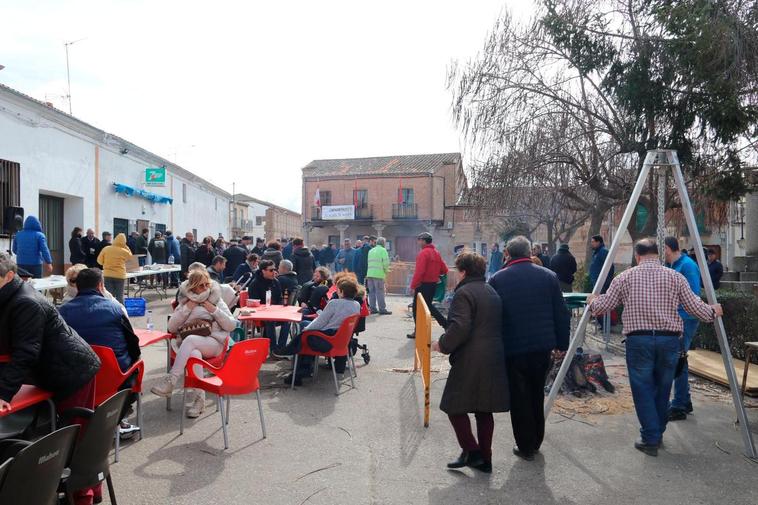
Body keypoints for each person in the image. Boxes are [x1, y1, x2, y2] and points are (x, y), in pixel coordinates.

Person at [588, 238, 721, 456]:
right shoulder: (675, 277)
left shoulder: (625, 277)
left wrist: (592, 300)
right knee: (662, 388)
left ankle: (650, 437)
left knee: (642, 388)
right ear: (657, 255)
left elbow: (603, 306)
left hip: (639, 341)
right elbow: (695, 307)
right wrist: (713, 311)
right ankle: (656, 431)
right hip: (669, 341)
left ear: (637, 256)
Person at [0, 253, 102, 504]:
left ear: (9, 276)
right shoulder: (11, 296)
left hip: (72, 371)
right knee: (70, 434)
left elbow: (26, 351)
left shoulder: (25, 303)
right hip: (57, 369)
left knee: (75, 436)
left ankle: (84, 495)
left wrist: (3, 393)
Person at [489, 236, 570, 461]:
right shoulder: (549, 277)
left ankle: (525, 445)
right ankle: (535, 441)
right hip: (542, 348)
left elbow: (492, 315)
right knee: (536, 394)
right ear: (528, 252)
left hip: (513, 348)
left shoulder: (497, 279)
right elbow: (561, 313)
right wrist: (562, 344)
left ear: (508, 253)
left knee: (519, 396)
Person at [431, 252, 508, 473]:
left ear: (463, 271)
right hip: (492, 355)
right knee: (484, 410)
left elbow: (460, 327)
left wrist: (442, 345)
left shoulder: (464, 292)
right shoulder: (490, 290)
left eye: (456, 270)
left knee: (453, 404)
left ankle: (472, 451)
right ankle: (484, 459)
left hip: (472, 358)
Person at [58, 268, 141, 437]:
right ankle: (120, 417)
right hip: (114, 380)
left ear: (77, 287)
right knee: (135, 363)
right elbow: (134, 345)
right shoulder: (115, 309)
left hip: (79, 381)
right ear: (101, 285)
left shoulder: (62, 311)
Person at [152, 269, 237, 418]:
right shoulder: (186, 302)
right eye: (201, 286)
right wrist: (187, 308)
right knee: (194, 354)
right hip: (191, 346)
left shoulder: (216, 299)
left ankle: (171, 380)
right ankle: (199, 400)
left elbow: (231, 325)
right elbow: (171, 327)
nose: (205, 288)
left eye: (207, 284)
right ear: (192, 288)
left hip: (214, 343)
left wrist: (214, 310)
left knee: (190, 340)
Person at [277, 277, 361, 386]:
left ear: (342, 291)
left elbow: (320, 322)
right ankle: (298, 363)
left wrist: (306, 330)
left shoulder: (334, 303)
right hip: (341, 340)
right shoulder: (356, 305)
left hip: (328, 341)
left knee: (304, 334)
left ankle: (298, 368)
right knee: (305, 328)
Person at [663, 236, 702, 422]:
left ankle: (679, 405)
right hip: (677, 318)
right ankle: (684, 400)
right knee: (681, 360)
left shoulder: (687, 266)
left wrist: (676, 318)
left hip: (685, 320)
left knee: (677, 361)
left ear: (666, 248)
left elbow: (693, 297)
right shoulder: (673, 266)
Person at [407, 232, 448, 339]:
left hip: (422, 285)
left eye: (419, 240)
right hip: (432, 285)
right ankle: (444, 324)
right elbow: (444, 269)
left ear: (424, 241)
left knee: (417, 308)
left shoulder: (423, 253)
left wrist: (413, 286)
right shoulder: (436, 253)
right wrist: (434, 273)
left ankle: (420, 330)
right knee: (428, 306)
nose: (418, 242)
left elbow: (419, 272)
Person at [248, 260, 283, 349]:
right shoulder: (255, 284)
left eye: (275, 269)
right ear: (263, 271)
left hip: (275, 312)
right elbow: (254, 302)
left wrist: (278, 308)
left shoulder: (276, 282)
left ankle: (282, 347)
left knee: (288, 322)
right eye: (271, 270)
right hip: (260, 314)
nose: (274, 272)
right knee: (270, 321)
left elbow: (280, 298)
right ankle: (273, 349)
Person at [96, 232, 132, 304]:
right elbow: (130, 256)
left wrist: (105, 263)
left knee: (108, 295)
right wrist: (125, 246)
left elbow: (99, 261)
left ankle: (109, 311)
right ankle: (121, 312)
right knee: (120, 296)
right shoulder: (124, 251)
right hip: (120, 275)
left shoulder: (106, 249)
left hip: (107, 274)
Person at [366, 236, 391, 315]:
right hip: (379, 275)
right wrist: (386, 271)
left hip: (370, 274)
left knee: (372, 292)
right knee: (380, 292)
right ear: (383, 243)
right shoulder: (383, 250)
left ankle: (373, 308)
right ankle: (382, 309)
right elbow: (386, 263)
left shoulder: (371, 250)